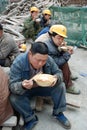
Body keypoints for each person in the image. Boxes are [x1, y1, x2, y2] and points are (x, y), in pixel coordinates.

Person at [9, 42, 71, 130]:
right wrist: (22, 85)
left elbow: (58, 72)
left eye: (44, 61)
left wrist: (56, 78)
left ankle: (58, 113)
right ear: (30, 54)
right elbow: (12, 85)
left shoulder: (48, 59)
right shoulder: (18, 62)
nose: (41, 63)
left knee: (60, 85)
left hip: (43, 87)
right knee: (13, 98)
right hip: (26, 90)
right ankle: (30, 118)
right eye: (38, 60)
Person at [35, 24, 80, 95]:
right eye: (59, 38)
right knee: (64, 63)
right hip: (43, 69)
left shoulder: (52, 42)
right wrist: (67, 54)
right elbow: (56, 62)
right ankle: (68, 85)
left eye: (62, 39)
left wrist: (64, 50)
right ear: (52, 36)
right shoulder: (47, 45)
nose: (61, 41)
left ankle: (68, 77)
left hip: (47, 65)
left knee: (64, 61)